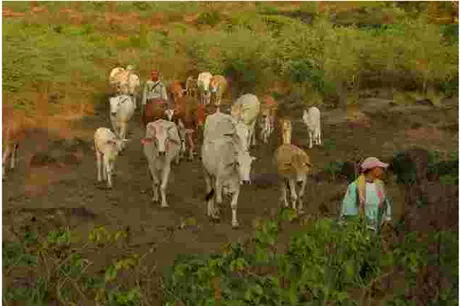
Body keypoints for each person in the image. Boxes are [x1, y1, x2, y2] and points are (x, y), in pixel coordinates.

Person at [339, 157, 393, 231]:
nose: (382, 170)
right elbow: (348, 206)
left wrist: (387, 218)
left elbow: (385, 203)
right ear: (372, 169)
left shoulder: (380, 185)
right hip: (360, 228)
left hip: (376, 228)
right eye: (379, 168)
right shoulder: (355, 186)